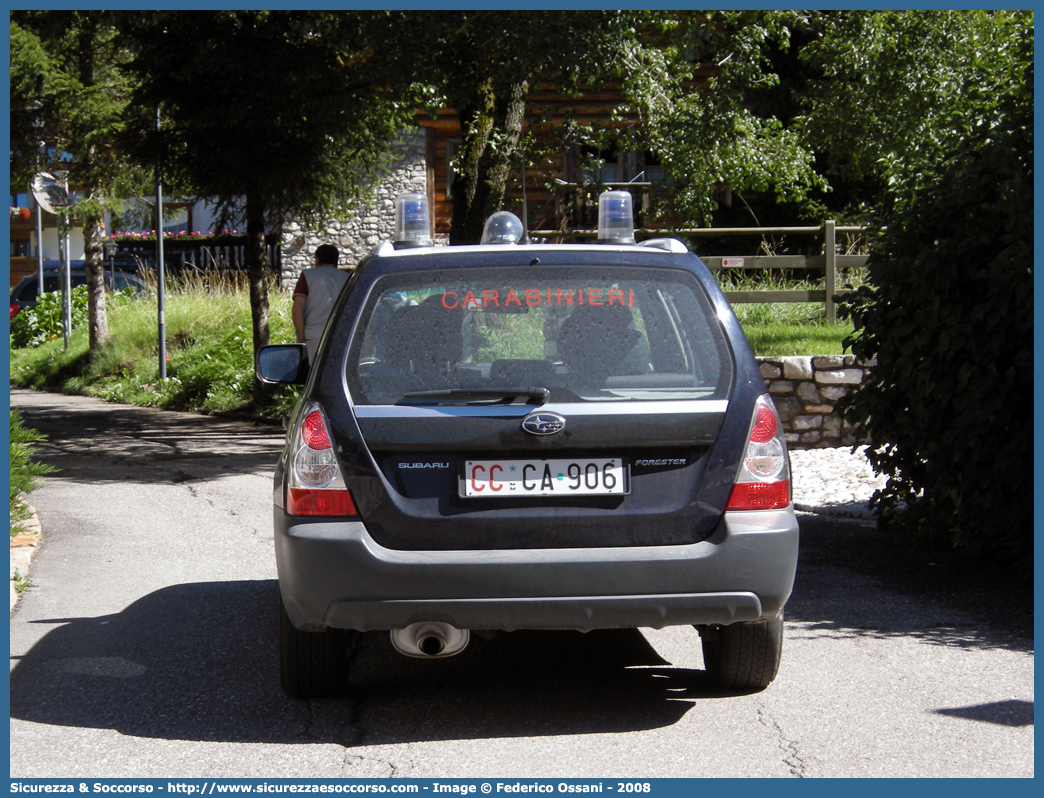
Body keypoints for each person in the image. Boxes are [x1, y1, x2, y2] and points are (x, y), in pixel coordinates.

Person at [292, 244, 348, 362]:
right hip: (341, 337)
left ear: (317, 260)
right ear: (336, 260)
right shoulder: (347, 278)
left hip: (313, 337)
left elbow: (297, 311)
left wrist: (302, 338)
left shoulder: (307, 276)